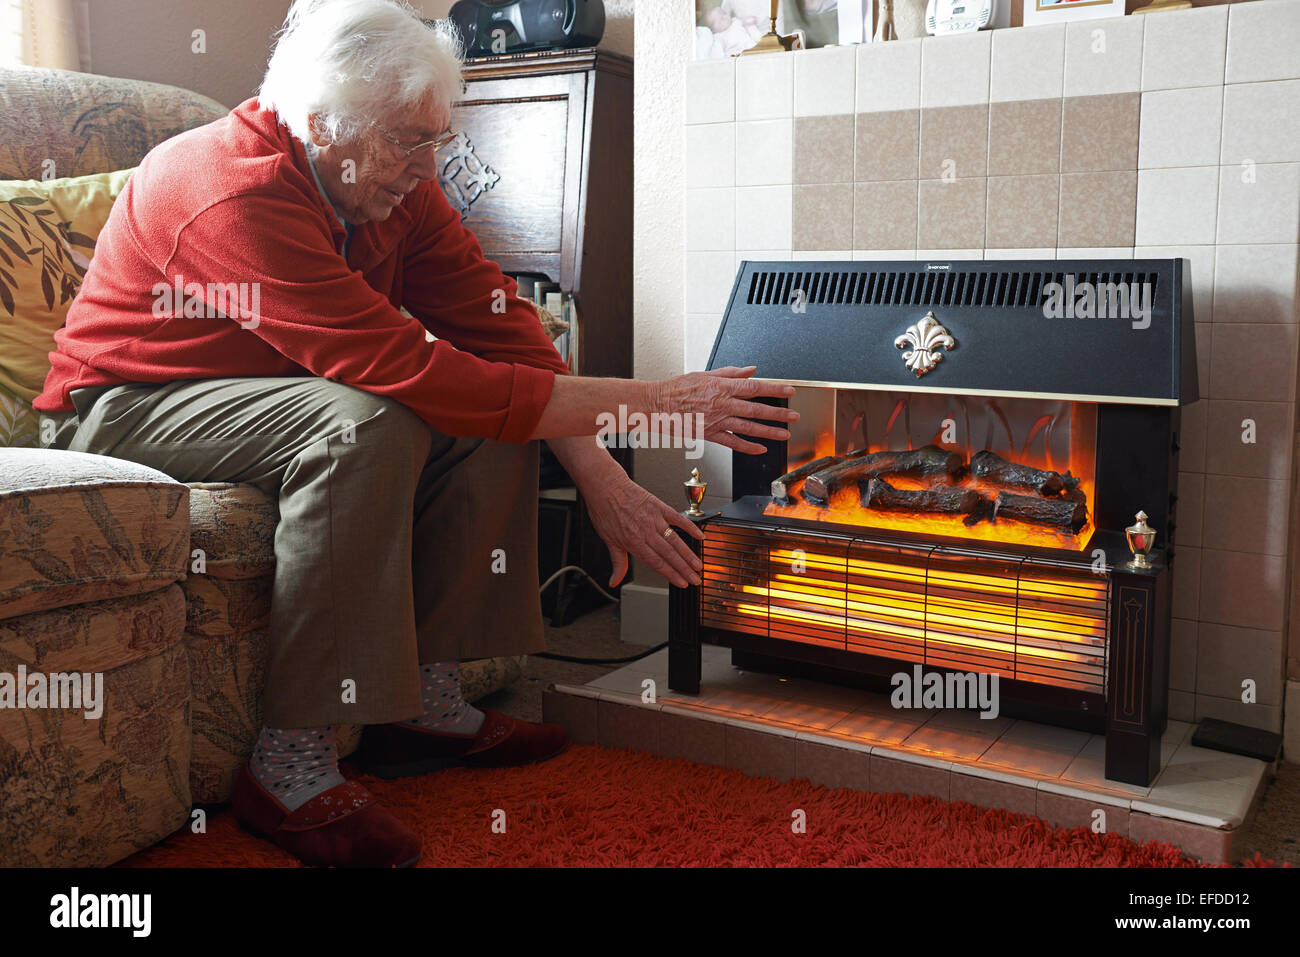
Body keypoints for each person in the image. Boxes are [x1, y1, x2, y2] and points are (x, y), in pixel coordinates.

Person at [33, 0, 797, 867]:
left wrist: (602, 473)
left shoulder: (399, 188)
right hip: (126, 404)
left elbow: (502, 332)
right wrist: (659, 399)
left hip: (269, 395)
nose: (430, 164)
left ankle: (422, 713)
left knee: (478, 419)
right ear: (326, 125)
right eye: (408, 139)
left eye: (437, 136)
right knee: (370, 423)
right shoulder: (229, 188)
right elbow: (411, 373)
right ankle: (289, 766)